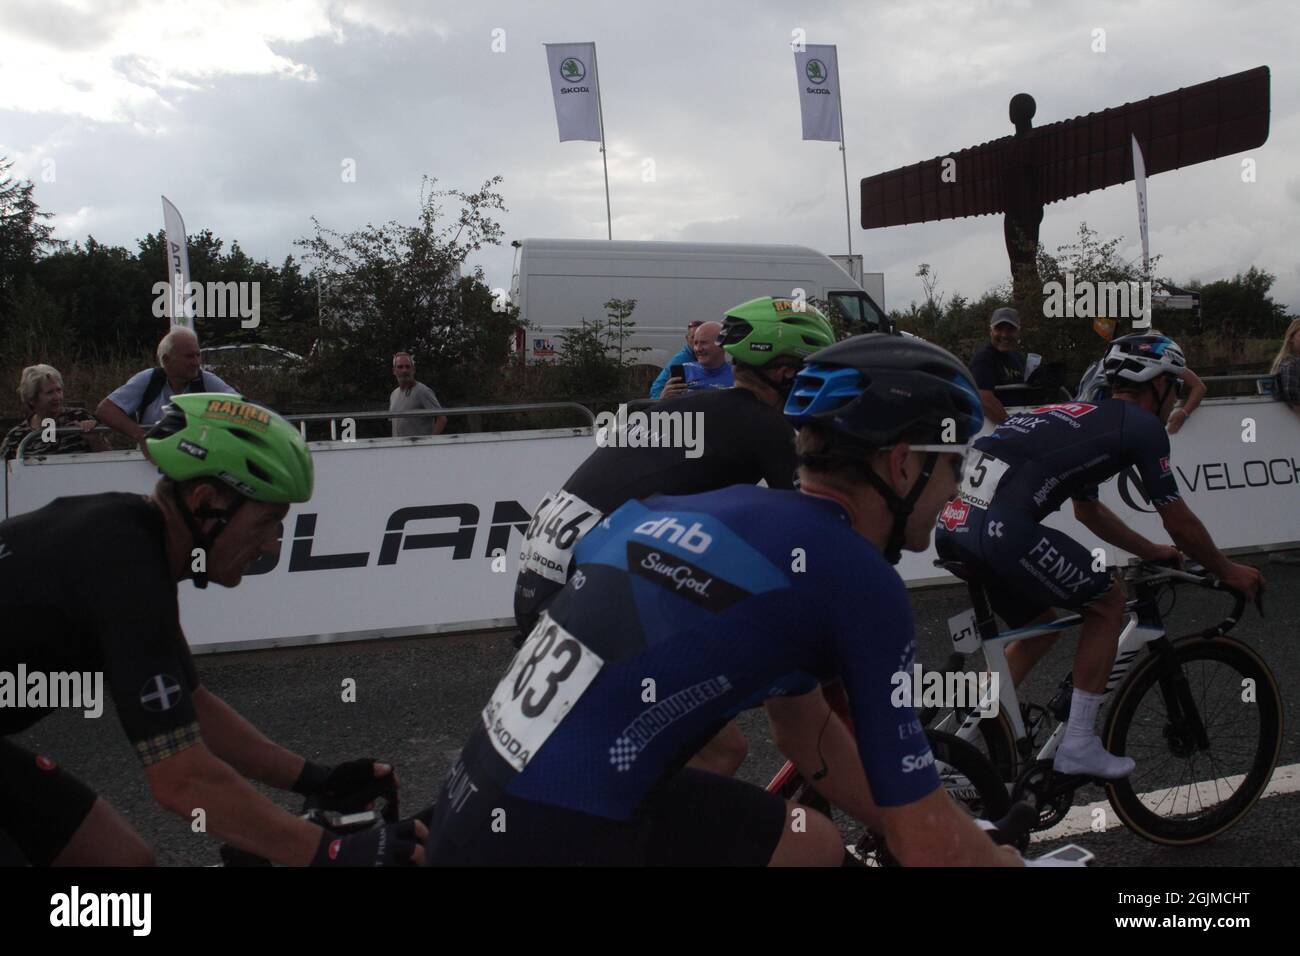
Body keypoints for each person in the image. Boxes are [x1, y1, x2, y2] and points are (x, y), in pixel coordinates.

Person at [426, 334, 1022, 867]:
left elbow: (805, 732)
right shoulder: (856, 575)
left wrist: (908, 821)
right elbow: (926, 846)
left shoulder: (695, 509)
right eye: (954, 466)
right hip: (556, 829)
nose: (954, 490)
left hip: (471, 810)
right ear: (902, 464)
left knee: (809, 840)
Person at [0, 393, 423, 866]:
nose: (271, 546)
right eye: (266, 522)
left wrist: (319, 780)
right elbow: (181, 779)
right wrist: (332, 852)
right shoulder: (126, 571)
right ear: (206, 504)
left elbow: (193, 707)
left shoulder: (132, 540)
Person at [513, 297, 835, 775]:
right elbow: (815, 530)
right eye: (806, 371)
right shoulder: (763, 425)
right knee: (722, 746)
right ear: (783, 370)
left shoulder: (700, 408)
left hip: (549, 582)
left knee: (714, 740)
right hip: (582, 596)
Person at [935, 333, 1265, 779]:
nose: (1175, 400)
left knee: (1036, 629)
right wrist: (1228, 570)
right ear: (1158, 384)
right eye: (1175, 387)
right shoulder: (1140, 426)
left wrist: (1149, 551)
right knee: (1107, 603)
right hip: (1002, 530)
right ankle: (1079, 745)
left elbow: (1087, 510)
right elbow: (1179, 522)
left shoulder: (1074, 416)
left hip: (954, 525)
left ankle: (962, 745)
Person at [95, 327, 237, 453]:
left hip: (195, 460)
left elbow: (241, 408)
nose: (196, 362)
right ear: (167, 359)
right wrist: (142, 437)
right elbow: (105, 410)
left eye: (197, 355)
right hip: (151, 461)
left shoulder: (206, 380)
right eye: (189, 356)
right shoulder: (150, 379)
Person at [1075, 329, 1206, 435]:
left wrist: (1183, 413)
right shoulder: (1122, 363)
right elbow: (1198, 385)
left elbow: (1199, 386)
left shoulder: (1163, 364)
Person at [2, 365, 109, 460]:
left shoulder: (80, 417)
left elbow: (108, 458)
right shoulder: (16, 436)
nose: (57, 397)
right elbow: (3, 473)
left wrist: (94, 440)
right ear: (32, 399)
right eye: (50, 393)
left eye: (59, 390)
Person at [969, 306, 1026, 424]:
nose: (1004, 335)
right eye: (999, 328)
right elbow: (984, 399)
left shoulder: (1018, 358)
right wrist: (1013, 427)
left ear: (1018, 332)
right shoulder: (984, 358)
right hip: (994, 430)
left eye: (1010, 329)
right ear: (991, 331)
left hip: (1022, 420)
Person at [659, 320, 734, 398]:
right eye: (695, 343)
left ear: (721, 344)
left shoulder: (737, 375)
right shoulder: (684, 371)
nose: (698, 349)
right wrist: (663, 400)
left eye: (703, 343)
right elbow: (669, 406)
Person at [390, 352, 447, 437]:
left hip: (418, 448)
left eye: (407, 366)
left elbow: (441, 418)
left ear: (413, 370)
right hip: (399, 447)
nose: (404, 370)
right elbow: (395, 424)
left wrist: (429, 442)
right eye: (400, 367)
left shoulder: (423, 391)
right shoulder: (394, 394)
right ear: (394, 371)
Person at [648, 320, 702, 399]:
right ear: (687, 339)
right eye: (693, 337)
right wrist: (661, 400)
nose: (697, 342)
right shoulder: (680, 361)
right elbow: (656, 389)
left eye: (701, 338)